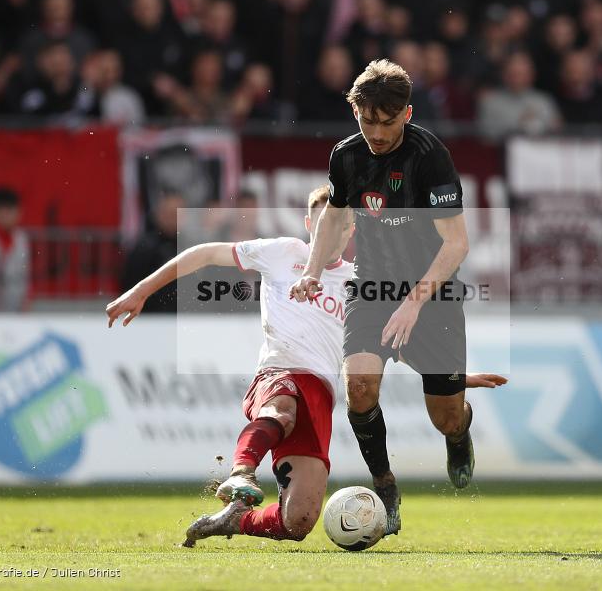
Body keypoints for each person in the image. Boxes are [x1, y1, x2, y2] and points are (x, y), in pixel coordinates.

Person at [105, 186, 506, 546]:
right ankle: (242, 473)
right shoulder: (284, 252)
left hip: (323, 396)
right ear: (309, 222)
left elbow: (390, 346)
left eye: (343, 224)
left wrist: (449, 379)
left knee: (297, 521)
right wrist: (141, 291)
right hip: (279, 372)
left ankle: (235, 521)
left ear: (353, 231)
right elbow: (203, 254)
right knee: (281, 407)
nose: (331, 229)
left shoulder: (358, 282)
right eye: (323, 219)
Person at [288, 59, 474, 536]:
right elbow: (334, 216)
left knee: (446, 415)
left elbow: (456, 243)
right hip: (371, 287)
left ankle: (460, 432)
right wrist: (312, 269)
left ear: (407, 114)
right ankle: (385, 486)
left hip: (433, 294)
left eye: (386, 122)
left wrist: (414, 302)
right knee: (360, 387)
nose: (375, 131)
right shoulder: (346, 156)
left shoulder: (430, 156)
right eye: (366, 120)